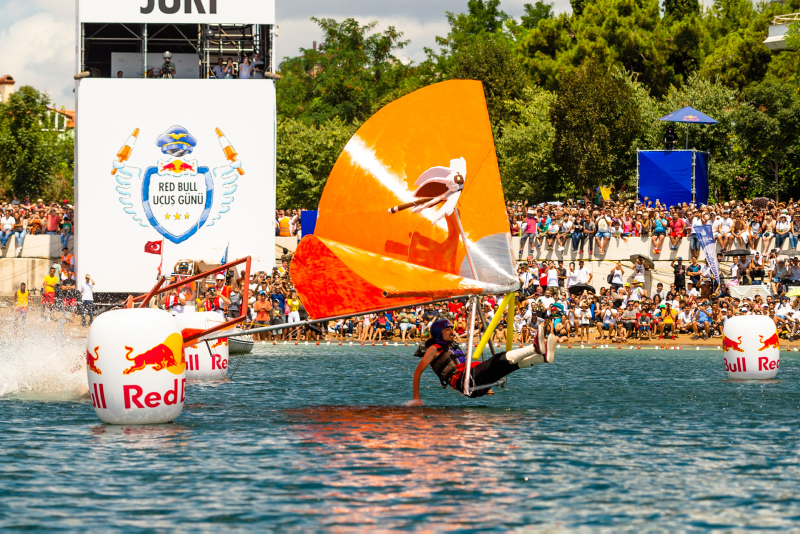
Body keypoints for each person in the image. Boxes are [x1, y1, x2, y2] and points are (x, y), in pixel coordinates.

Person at [409, 319, 556, 405]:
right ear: (438, 332)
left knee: (508, 366)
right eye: (447, 330)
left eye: (451, 329)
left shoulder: (451, 346)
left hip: (474, 382)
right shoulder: (434, 349)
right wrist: (416, 398)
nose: (451, 332)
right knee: (499, 359)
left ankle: (541, 358)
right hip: (465, 381)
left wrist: (484, 386)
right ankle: (534, 347)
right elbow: (417, 373)